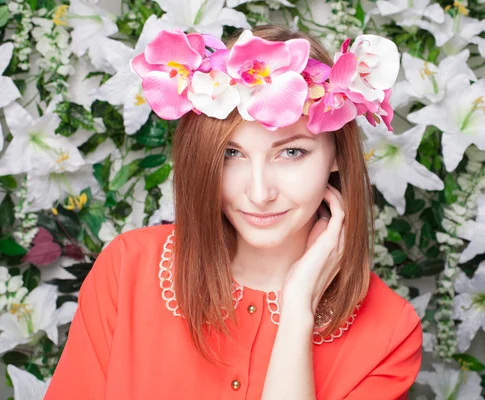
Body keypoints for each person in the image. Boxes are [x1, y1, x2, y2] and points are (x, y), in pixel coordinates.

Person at [44, 24, 422, 399]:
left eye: (291, 152)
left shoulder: (390, 331)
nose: (259, 193)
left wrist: (297, 315)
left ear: (337, 155)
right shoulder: (128, 269)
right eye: (231, 154)